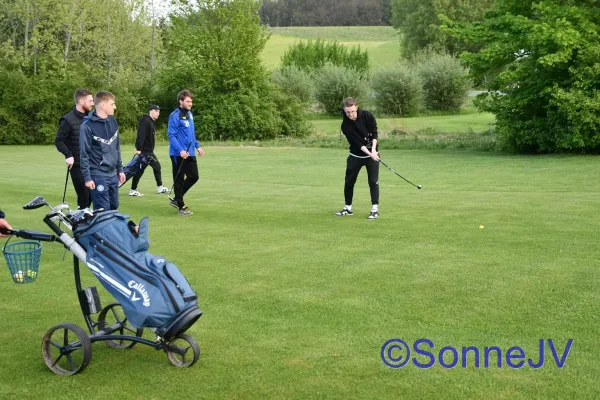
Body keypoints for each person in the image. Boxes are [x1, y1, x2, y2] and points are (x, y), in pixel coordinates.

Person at [335, 97, 380, 220]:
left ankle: (374, 209)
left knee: (373, 182)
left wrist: (373, 150)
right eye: (347, 112)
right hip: (356, 156)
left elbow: (374, 133)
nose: (350, 114)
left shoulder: (367, 116)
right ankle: (348, 208)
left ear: (356, 107)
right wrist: (370, 154)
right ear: (344, 111)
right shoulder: (345, 125)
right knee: (349, 182)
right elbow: (357, 144)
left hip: (372, 154)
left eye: (352, 111)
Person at [80, 91, 126, 211]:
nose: (115, 107)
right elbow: (84, 154)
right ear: (103, 105)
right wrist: (87, 178)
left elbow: (117, 148)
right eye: (112, 104)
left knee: (114, 205)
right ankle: (100, 230)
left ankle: (107, 229)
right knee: (102, 209)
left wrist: (120, 169)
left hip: (112, 174)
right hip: (98, 174)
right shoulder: (87, 126)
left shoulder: (113, 122)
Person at [55, 88, 94, 209]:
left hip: (92, 163)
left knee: (92, 196)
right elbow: (59, 141)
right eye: (90, 101)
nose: (93, 103)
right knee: (84, 197)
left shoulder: (92, 118)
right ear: (82, 101)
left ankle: (81, 218)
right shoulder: (67, 120)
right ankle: (80, 224)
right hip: (77, 164)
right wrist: (68, 154)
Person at [167, 89, 204, 216]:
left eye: (191, 101)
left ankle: (177, 199)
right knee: (179, 180)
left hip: (190, 153)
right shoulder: (174, 115)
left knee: (194, 176)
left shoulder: (190, 114)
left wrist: (197, 145)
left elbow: (191, 133)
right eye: (188, 101)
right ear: (180, 101)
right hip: (178, 154)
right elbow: (171, 135)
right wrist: (180, 150)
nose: (190, 103)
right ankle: (181, 206)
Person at [128, 105, 171, 196]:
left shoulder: (150, 122)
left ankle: (134, 189)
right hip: (145, 151)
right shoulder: (145, 121)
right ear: (151, 111)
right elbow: (141, 135)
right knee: (152, 168)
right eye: (156, 111)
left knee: (146, 169)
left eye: (159, 111)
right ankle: (158, 187)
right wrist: (138, 148)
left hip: (148, 151)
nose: (158, 113)